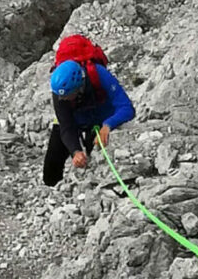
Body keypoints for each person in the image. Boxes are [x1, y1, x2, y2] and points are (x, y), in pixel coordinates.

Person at [43, 51, 135, 187]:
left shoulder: (99, 74)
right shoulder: (60, 93)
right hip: (75, 120)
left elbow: (127, 108)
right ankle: (52, 188)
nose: (63, 100)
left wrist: (108, 125)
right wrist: (76, 151)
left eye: (68, 96)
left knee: (95, 158)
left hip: (98, 119)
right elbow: (66, 126)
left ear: (78, 87)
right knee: (52, 163)